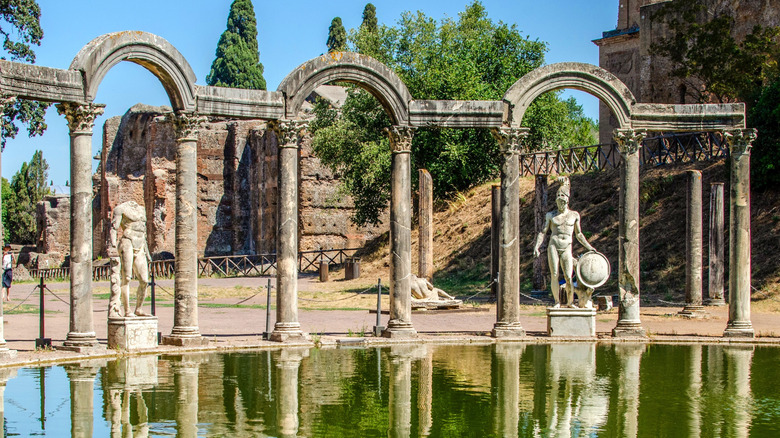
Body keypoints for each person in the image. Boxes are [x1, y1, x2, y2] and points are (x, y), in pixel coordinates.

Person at [533, 177, 595, 308]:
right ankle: (556, 301)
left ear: (567, 198)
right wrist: (537, 247)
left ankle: (570, 302)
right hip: (553, 245)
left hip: (567, 246)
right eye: (558, 195)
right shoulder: (551, 215)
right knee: (554, 274)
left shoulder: (574, 215)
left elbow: (579, 234)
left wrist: (589, 247)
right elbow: (543, 232)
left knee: (568, 275)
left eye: (563, 195)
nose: (560, 198)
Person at [108, 201, 152, 318]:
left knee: (144, 280)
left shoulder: (142, 209)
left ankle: (138, 309)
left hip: (140, 244)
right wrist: (112, 246)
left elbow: (144, 231)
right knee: (126, 278)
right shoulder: (120, 209)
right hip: (127, 242)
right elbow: (113, 228)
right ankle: (127, 310)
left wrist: (147, 252)